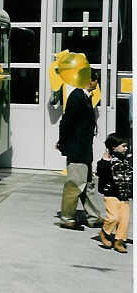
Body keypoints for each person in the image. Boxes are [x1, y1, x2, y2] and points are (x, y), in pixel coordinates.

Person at [56, 81, 102, 230]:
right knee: (75, 185)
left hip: (84, 149)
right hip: (77, 149)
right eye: (96, 80)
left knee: (88, 185)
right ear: (90, 81)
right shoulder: (77, 96)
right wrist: (62, 142)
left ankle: (94, 217)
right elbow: (66, 122)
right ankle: (67, 218)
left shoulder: (85, 96)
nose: (98, 83)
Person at [97, 134, 132, 253]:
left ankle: (119, 241)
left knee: (124, 219)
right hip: (111, 193)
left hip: (124, 194)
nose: (126, 148)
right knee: (113, 217)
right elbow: (101, 172)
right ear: (113, 147)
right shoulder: (107, 161)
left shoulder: (127, 159)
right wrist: (105, 161)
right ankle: (104, 233)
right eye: (123, 146)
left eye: (126, 146)